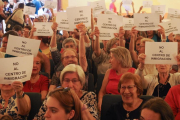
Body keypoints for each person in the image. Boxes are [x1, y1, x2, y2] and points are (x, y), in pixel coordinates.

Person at [49, 22, 88, 91]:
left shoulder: (81, 68)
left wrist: (82, 35)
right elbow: (51, 92)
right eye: (67, 57)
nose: (70, 59)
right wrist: (54, 32)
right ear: (62, 60)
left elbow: (82, 56)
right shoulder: (58, 74)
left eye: (73, 57)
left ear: (77, 58)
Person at [98, 46, 136, 111]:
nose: (109, 61)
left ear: (119, 59)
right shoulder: (109, 72)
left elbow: (136, 94)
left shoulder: (134, 72)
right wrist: (100, 103)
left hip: (126, 105)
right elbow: (102, 91)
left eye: (111, 58)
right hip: (109, 105)